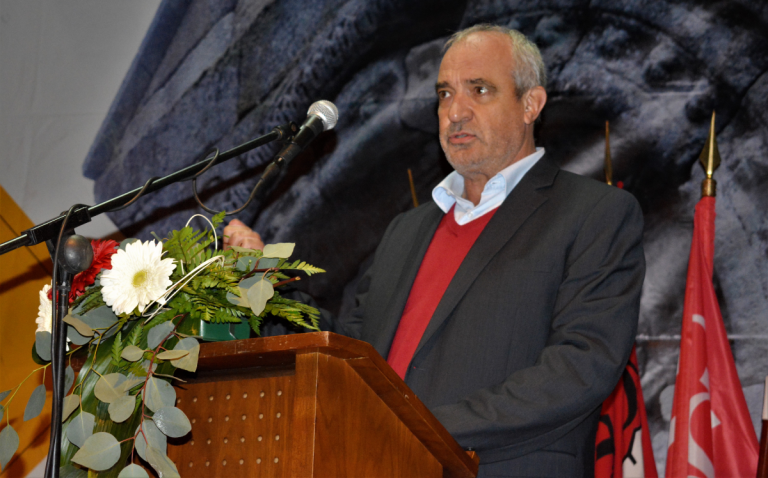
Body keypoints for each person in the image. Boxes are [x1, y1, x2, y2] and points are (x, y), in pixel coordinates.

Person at [223, 24, 645, 478]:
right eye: (445, 94)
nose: (455, 112)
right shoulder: (407, 230)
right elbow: (353, 357)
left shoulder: (594, 213)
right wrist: (262, 284)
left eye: (479, 90)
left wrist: (419, 426)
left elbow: (580, 366)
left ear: (530, 104)